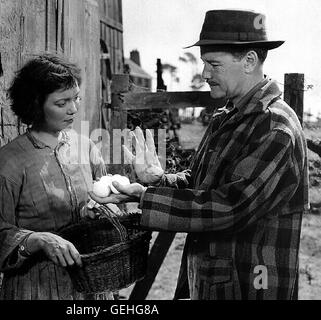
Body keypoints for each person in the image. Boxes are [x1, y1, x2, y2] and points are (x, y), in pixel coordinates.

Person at [91, 10, 309, 300]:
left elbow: (229, 206)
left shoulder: (274, 127)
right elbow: (200, 183)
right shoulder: (227, 116)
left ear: (249, 61)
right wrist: (159, 180)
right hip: (213, 281)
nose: (205, 73)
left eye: (213, 64)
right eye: (204, 63)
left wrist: (144, 196)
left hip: (251, 286)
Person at [0, 54, 112, 300]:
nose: (74, 109)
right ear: (36, 105)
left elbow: (108, 201)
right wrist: (36, 240)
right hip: (37, 287)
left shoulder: (86, 148)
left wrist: (99, 210)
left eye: (76, 98)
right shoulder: (8, 163)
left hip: (89, 285)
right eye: (62, 103)